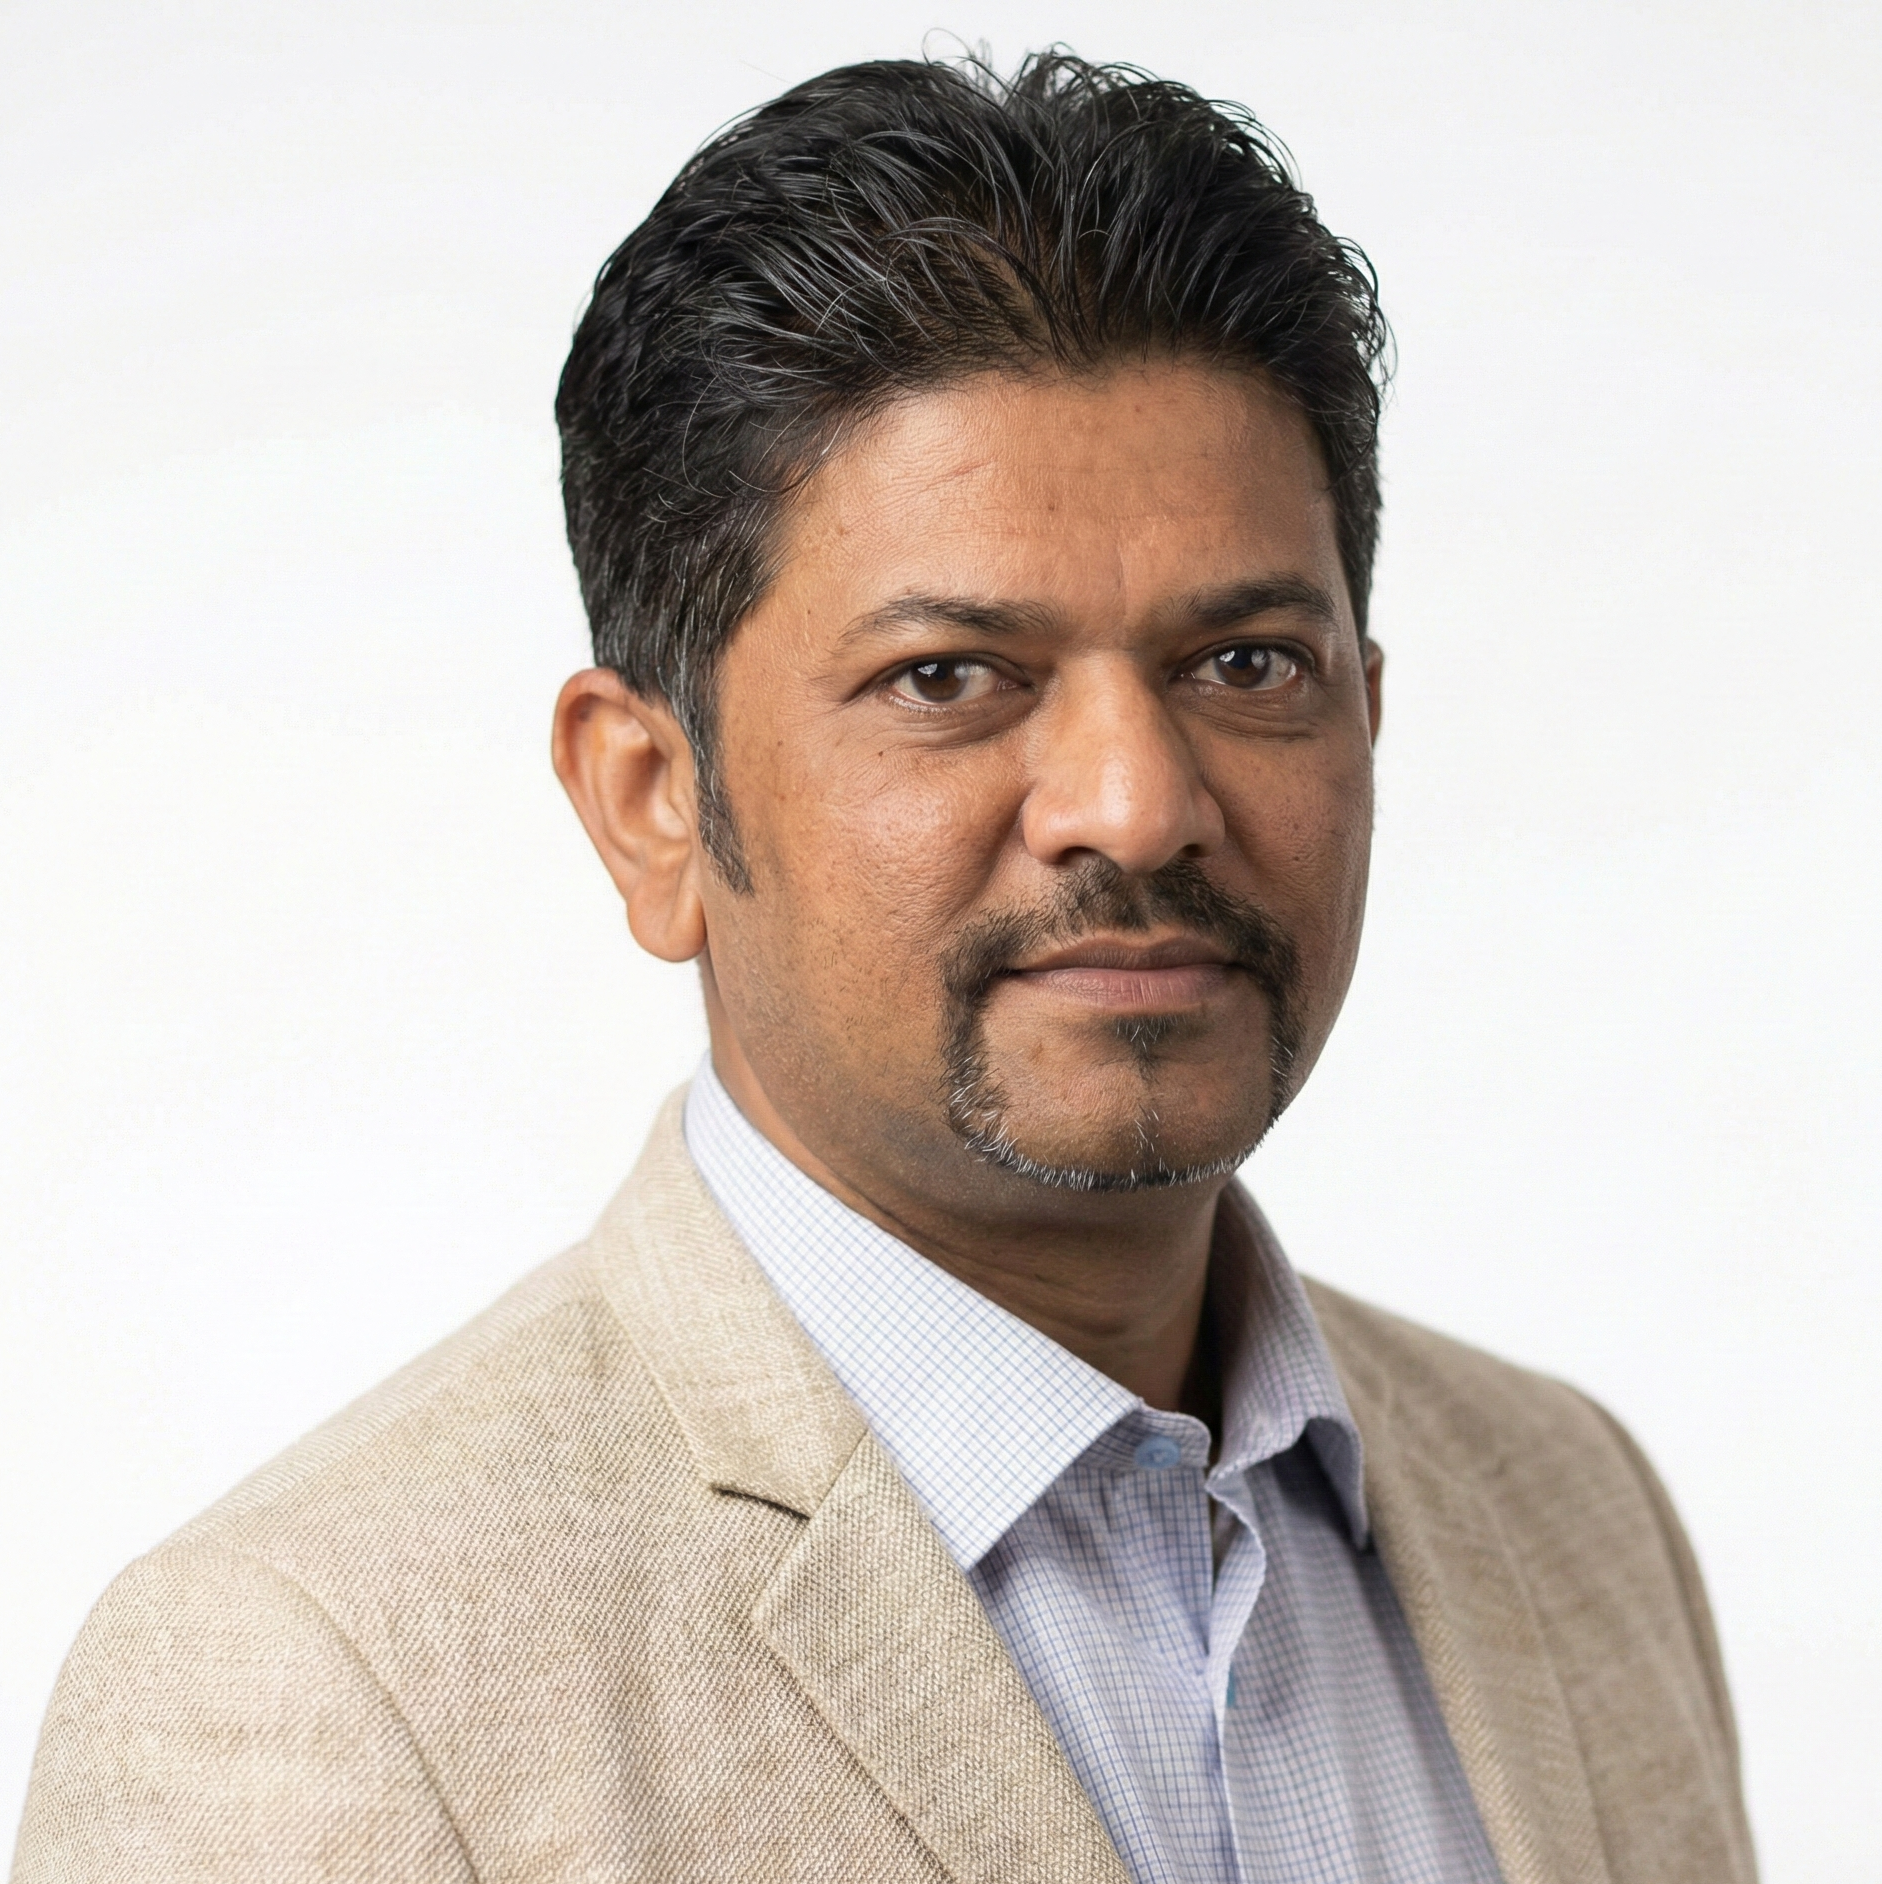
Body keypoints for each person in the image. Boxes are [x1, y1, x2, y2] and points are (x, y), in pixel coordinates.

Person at [12, 52, 1756, 1884]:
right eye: (947, 678)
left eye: (1245, 664)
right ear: (651, 800)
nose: (1134, 805)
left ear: (1366, 717)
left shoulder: (1570, 1512)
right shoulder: (319, 1689)